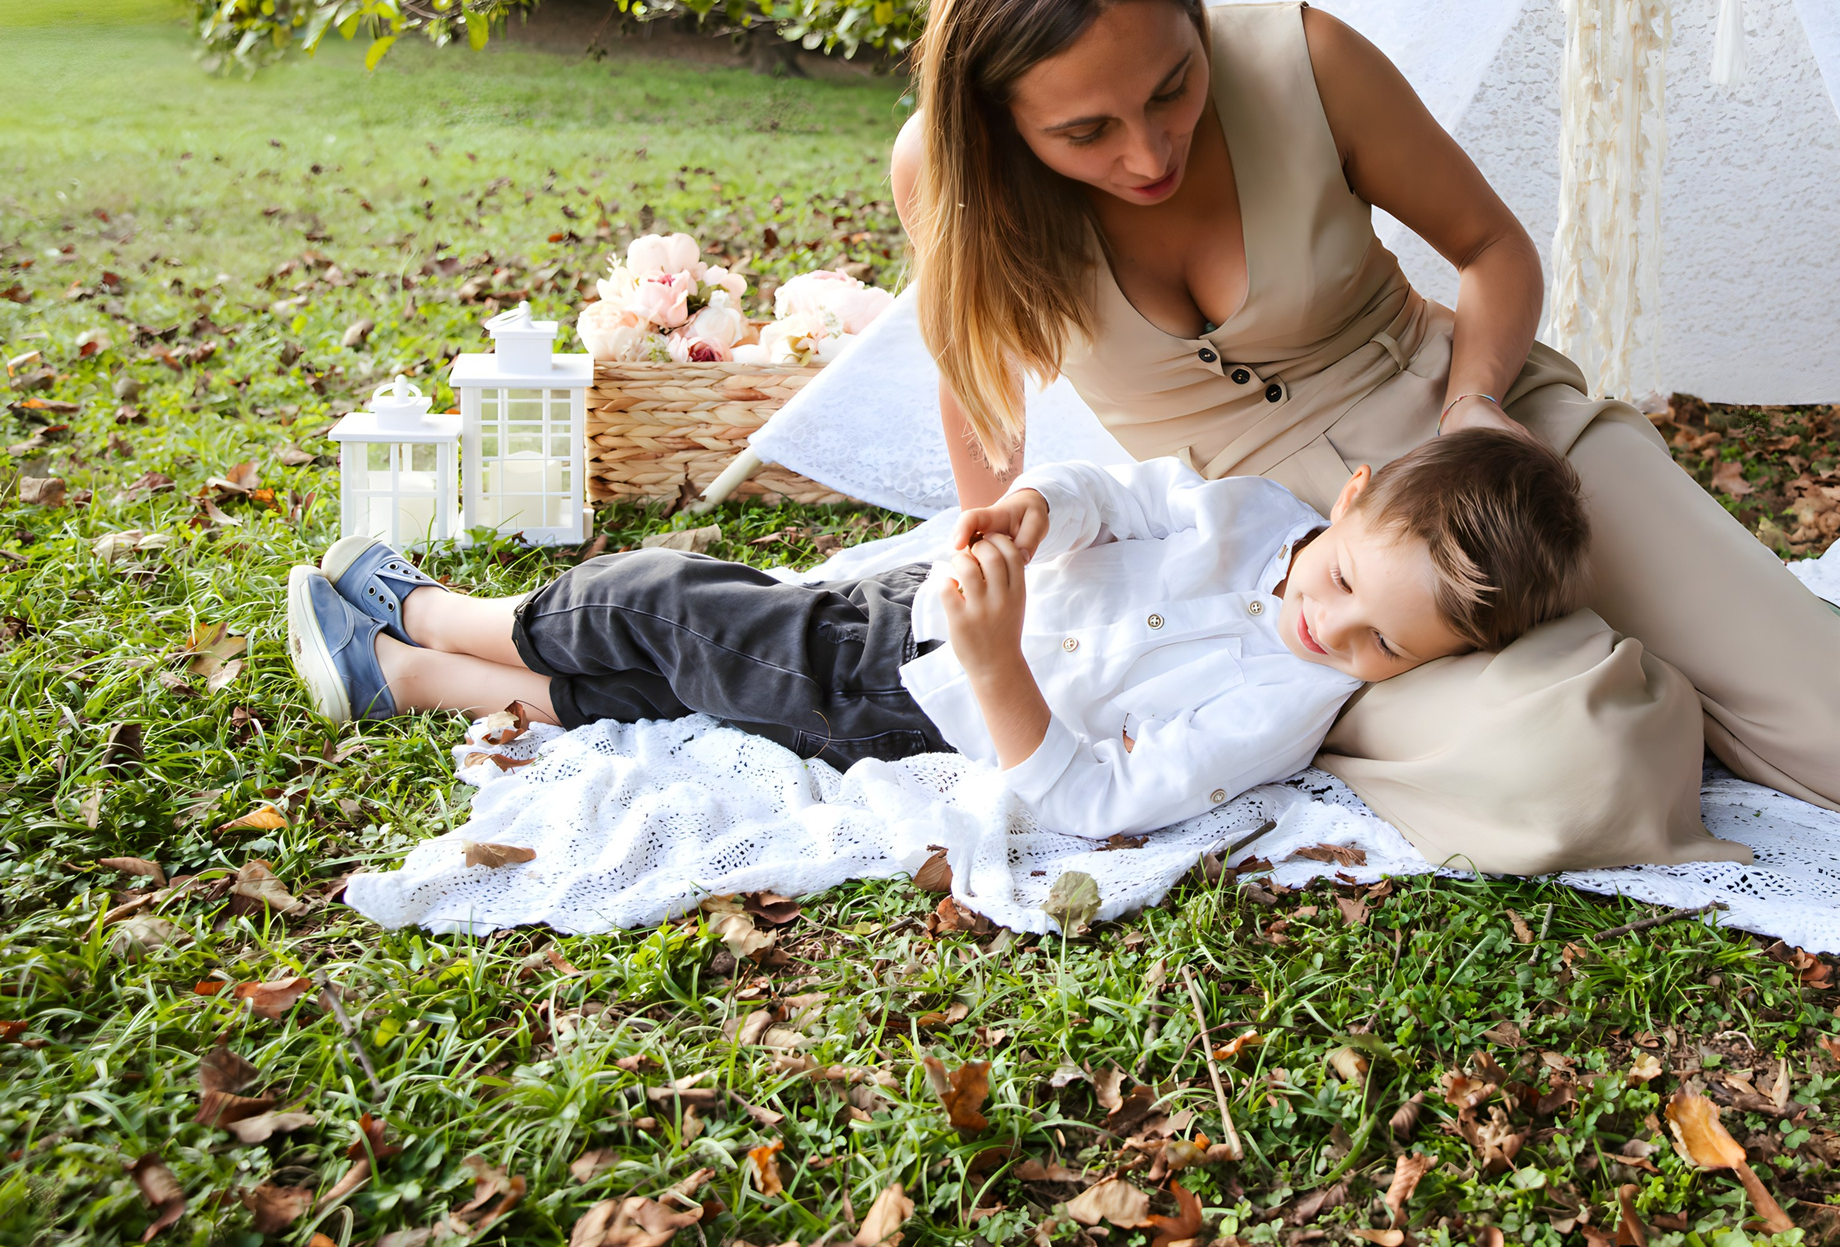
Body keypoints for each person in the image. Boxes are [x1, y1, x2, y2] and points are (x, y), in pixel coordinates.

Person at [887, 0, 1840, 863]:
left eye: (1173, 87)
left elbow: (1490, 249)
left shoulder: (1304, 61)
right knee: (1588, 762)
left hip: (1487, 435)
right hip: (1300, 567)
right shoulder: (944, 180)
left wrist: (1476, 401)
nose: (1151, 150)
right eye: (1085, 131)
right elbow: (975, 383)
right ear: (995, 118)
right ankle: (1652, 675)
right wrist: (991, 547)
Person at [282, 429, 1593, 840]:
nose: (1329, 627)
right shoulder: (1257, 513)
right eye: (1350, 580)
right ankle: (399, 675)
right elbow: (1122, 492)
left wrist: (996, 666)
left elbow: (1100, 798)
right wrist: (1038, 508)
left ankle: (429, 608)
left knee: (661, 599)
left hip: (906, 691)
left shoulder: (1277, 707)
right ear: (1350, 498)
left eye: (1378, 648)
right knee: (679, 664)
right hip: (913, 602)